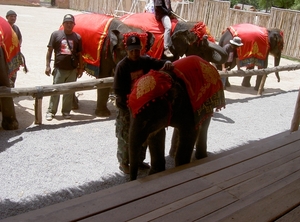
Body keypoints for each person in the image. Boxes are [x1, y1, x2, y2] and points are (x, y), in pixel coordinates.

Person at [113, 34, 174, 174]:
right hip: (126, 106)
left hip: (142, 106)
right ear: (126, 50)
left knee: (143, 134)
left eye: (137, 50)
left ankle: (139, 160)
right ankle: (124, 162)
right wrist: (127, 107)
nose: (135, 53)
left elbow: (159, 63)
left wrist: (168, 63)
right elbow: (118, 92)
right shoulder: (122, 66)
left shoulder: (145, 61)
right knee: (126, 135)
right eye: (132, 50)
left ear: (140, 49)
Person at [45, 14, 84, 121]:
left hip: (72, 69)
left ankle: (66, 111)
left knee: (69, 91)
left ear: (74, 24)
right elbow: (49, 51)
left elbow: (80, 54)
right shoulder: (55, 35)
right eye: (67, 23)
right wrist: (47, 66)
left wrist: (80, 68)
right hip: (59, 69)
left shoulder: (77, 37)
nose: (69, 25)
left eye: (71, 23)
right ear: (63, 24)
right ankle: (51, 111)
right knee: (55, 91)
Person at [6, 10, 22, 87]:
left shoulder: (16, 28)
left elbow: (20, 38)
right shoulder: (4, 27)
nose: (13, 18)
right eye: (11, 16)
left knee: (13, 74)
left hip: (14, 55)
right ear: (7, 17)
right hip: (5, 55)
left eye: (14, 17)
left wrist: (18, 47)